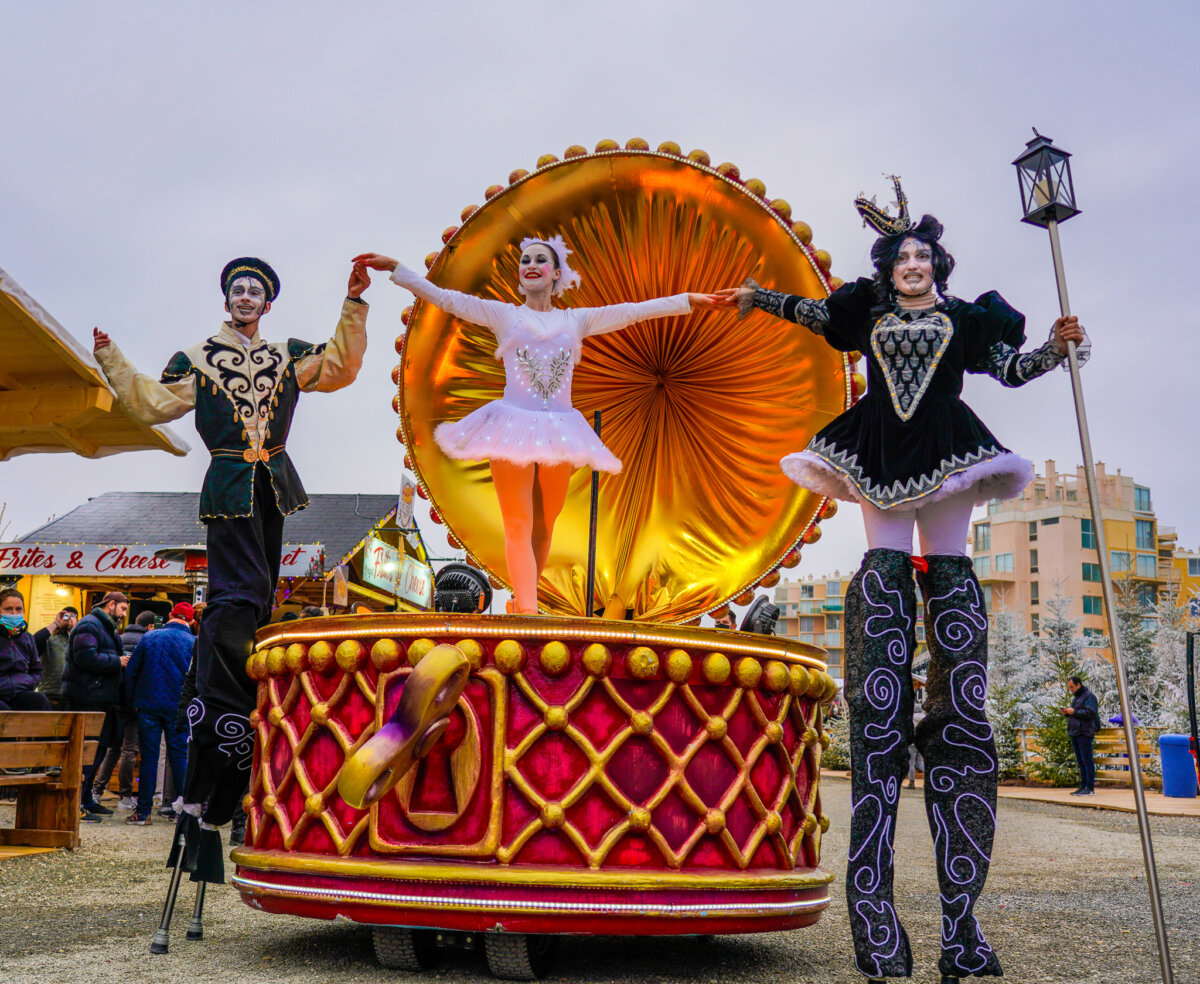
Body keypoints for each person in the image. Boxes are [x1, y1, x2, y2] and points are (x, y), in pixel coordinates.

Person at [716, 177, 1090, 983]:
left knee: (958, 659)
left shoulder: (966, 319)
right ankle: (875, 921)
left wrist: (1059, 349)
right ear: (888, 269)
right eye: (902, 256)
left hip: (950, 452)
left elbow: (1011, 368)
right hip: (877, 453)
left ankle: (963, 929)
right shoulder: (870, 316)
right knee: (881, 643)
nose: (913, 264)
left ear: (937, 265)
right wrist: (759, 297)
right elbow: (815, 316)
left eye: (923, 255)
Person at [93, 256, 371, 876]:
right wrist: (112, 360)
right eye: (238, 289)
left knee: (261, 589)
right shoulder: (198, 356)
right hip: (228, 475)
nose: (246, 297)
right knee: (236, 593)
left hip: (271, 475)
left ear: (267, 303)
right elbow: (151, 403)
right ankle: (227, 653)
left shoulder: (284, 353)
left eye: (256, 291)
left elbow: (340, 367)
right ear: (227, 298)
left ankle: (246, 644)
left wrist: (354, 303)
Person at [355, 241, 718, 614]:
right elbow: (445, 299)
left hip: (559, 431)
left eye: (540, 260)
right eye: (525, 261)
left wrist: (688, 300)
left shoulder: (575, 320)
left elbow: (633, 312)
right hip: (512, 426)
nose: (530, 265)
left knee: (545, 524)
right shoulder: (503, 315)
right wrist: (397, 269)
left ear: (556, 274)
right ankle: (528, 612)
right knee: (518, 523)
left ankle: (520, 599)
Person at [124, 603, 194, 825]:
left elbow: (132, 670)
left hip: (148, 704)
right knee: (179, 757)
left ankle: (143, 812)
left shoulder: (150, 637)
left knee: (149, 758)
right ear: (191, 621)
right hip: (178, 707)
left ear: (171, 615)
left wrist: (132, 701)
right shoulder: (193, 642)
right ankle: (182, 811)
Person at [63, 591, 131, 819]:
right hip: (87, 699)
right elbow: (85, 657)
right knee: (87, 753)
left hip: (102, 699)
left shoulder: (104, 626)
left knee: (98, 751)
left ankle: (86, 800)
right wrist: (117, 661)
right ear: (111, 605)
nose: (123, 615)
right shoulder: (89, 625)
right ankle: (77, 804)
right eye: (122, 609)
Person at [92, 610, 155, 808]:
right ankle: (125, 796)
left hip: (115, 699)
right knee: (130, 749)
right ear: (151, 627)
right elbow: (145, 675)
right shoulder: (147, 641)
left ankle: (97, 790)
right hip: (134, 702)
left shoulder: (117, 638)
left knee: (112, 747)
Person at [0, 589, 52, 712]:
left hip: (21, 691)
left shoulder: (27, 638)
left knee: (39, 700)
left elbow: (36, 669)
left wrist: (29, 683)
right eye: (8, 609)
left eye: (18, 609)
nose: (14, 613)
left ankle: (53, 731)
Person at [34, 606, 77, 710]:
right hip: (51, 696)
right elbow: (34, 642)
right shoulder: (50, 639)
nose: (69, 618)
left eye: (73, 616)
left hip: (74, 698)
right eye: (66, 616)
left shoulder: (80, 641)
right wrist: (56, 624)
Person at [1063, 675, 1099, 796]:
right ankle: (1083, 785)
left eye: (1072, 687)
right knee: (1080, 760)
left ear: (1078, 684)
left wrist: (1074, 712)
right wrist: (1068, 713)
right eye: (1069, 687)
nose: (1071, 689)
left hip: (1084, 732)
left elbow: (1091, 712)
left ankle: (1090, 787)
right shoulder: (1077, 698)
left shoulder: (1089, 696)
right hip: (1076, 731)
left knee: (1086, 760)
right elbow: (1078, 714)